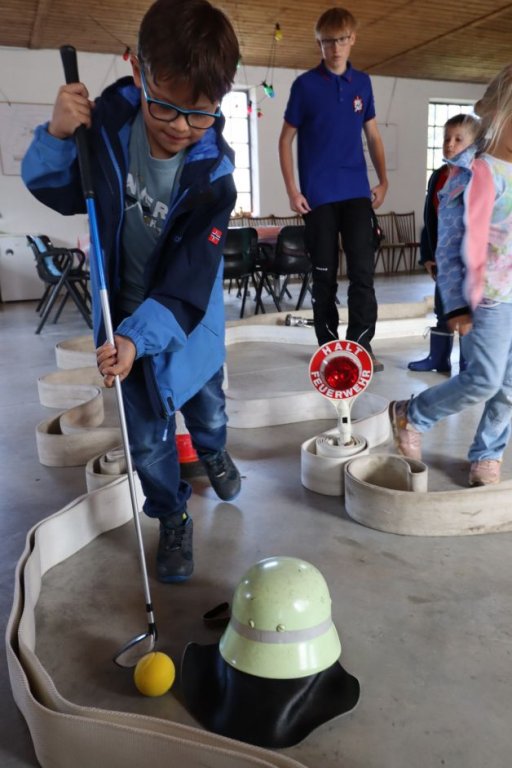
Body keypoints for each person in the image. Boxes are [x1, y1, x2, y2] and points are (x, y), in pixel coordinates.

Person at [22, 0, 242, 583]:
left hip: (184, 320)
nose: (178, 126)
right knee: (146, 441)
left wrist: (143, 335)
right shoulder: (108, 124)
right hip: (119, 320)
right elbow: (57, 187)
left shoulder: (215, 176)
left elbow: (192, 276)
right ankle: (172, 516)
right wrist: (58, 135)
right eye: (164, 105)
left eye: (199, 115)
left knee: (208, 408)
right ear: (139, 68)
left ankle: (214, 449)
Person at [390, 63, 512, 487]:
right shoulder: (475, 171)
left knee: (510, 387)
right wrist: (455, 304)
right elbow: (450, 244)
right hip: (489, 298)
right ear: (499, 117)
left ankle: (487, 454)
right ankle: (413, 414)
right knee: (483, 378)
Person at [278, 6, 388, 371]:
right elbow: (285, 140)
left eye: (341, 40)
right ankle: (327, 345)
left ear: (352, 39)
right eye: (327, 42)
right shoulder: (305, 86)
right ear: (319, 43)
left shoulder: (363, 84)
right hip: (319, 197)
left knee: (362, 273)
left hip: (356, 192)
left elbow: (372, 134)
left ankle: (360, 345)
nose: (335, 48)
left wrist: (383, 179)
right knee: (323, 276)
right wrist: (293, 190)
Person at [408, 114, 479, 373]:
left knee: (467, 312)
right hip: (443, 258)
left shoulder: (475, 175)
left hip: (469, 260)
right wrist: (428, 255)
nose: (450, 144)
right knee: (443, 309)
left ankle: (469, 364)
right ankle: (438, 358)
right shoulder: (438, 176)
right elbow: (430, 219)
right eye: (447, 138)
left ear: (474, 143)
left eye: (458, 139)